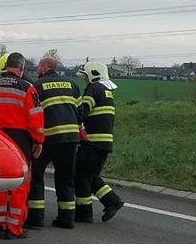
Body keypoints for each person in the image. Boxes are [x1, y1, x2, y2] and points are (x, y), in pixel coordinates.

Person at [0, 52, 44, 239]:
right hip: (20, 139)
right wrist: (38, 141)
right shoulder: (27, 88)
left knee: (0, 182)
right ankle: (13, 228)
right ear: (22, 67)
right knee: (20, 183)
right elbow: (36, 118)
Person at [26, 56, 80, 228]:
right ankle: (67, 219)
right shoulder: (72, 84)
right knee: (66, 178)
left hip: (48, 138)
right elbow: (80, 112)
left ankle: (36, 218)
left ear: (44, 67)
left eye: (38, 66)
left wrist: (34, 138)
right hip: (71, 138)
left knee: (37, 175)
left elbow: (34, 114)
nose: (37, 69)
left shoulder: (38, 86)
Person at [75, 60, 124, 223]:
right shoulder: (106, 91)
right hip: (104, 142)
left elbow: (82, 112)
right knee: (91, 175)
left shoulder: (93, 89)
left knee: (82, 176)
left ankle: (84, 212)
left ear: (93, 75)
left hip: (92, 142)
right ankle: (112, 201)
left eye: (85, 76)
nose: (84, 79)